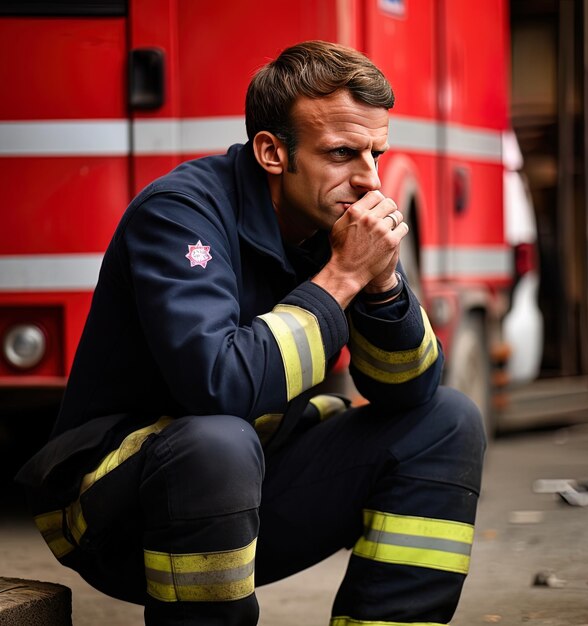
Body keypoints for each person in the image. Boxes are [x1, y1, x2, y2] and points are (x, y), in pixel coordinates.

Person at [16, 40, 486, 626]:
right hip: (113, 514)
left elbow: (408, 392)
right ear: (271, 152)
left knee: (447, 421)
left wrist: (383, 283)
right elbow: (220, 388)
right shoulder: (179, 214)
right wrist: (341, 278)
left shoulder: (332, 216)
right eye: (342, 153)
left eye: (376, 154)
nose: (369, 180)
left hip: (247, 490)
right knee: (219, 440)